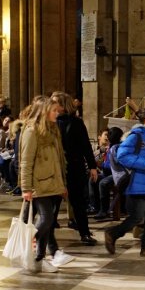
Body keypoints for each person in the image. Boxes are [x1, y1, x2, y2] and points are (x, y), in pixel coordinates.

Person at [19, 96, 72, 271]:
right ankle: (27, 243)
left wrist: (62, 184)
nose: (58, 113)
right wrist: (26, 188)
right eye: (54, 110)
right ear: (44, 111)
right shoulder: (31, 131)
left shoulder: (52, 129)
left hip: (52, 183)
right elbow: (26, 162)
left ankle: (39, 258)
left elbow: (58, 159)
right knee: (46, 219)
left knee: (49, 221)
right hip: (38, 184)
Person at [105, 109, 145, 258]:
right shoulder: (135, 136)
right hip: (138, 183)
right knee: (137, 217)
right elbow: (122, 155)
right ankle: (112, 233)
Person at [54, 91, 98, 246]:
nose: (53, 106)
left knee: (78, 201)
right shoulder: (50, 122)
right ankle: (46, 235)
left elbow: (86, 146)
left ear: (63, 105)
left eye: (56, 103)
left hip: (74, 166)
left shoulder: (77, 122)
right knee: (52, 201)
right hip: (56, 167)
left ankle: (84, 233)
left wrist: (92, 166)